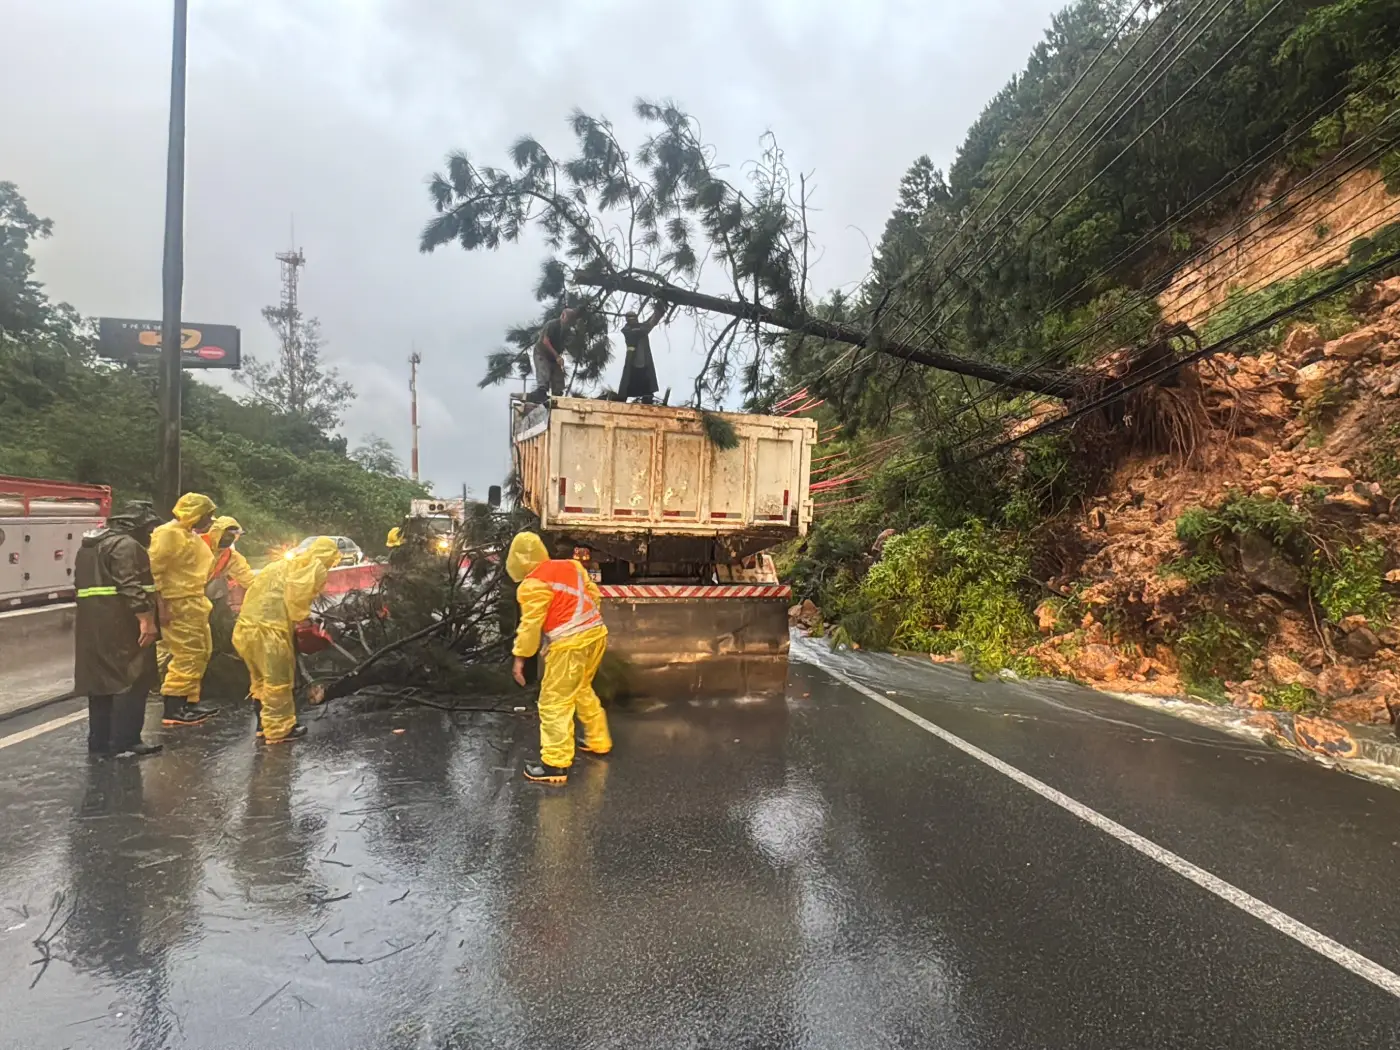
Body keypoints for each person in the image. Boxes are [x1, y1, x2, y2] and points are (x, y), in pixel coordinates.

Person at [506, 531, 612, 783]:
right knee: (581, 687)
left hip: (570, 646)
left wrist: (520, 658)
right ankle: (599, 740)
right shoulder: (572, 566)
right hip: (596, 634)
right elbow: (594, 595)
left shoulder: (531, 585)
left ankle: (555, 764)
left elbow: (531, 625)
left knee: (554, 701)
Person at [73, 501, 165, 757]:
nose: (150, 534)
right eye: (148, 528)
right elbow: (131, 585)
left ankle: (100, 741)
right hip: (122, 624)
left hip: (92, 625)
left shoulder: (88, 547)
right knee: (133, 679)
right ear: (134, 524)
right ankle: (126, 741)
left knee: (100, 682)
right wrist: (146, 620)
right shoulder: (125, 546)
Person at [233, 536, 341, 743]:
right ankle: (280, 730)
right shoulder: (315, 566)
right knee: (278, 682)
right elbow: (297, 597)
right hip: (270, 631)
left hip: (246, 628)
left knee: (260, 680)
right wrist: (303, 619)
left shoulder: (282, 564)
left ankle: (263, 726)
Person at [149, 492, 219, 726]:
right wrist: (162, 607)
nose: (211, 520)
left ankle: (189, 701)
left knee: (201, 652)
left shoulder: (189, 535)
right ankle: (173, 708)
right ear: (194, 514)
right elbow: (154, 573)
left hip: (194, 603)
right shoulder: (168, 534)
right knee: (186, 655)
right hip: (176, 602)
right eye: (208, 515)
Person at [205, 516, 256, 655]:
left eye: (233, 535)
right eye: (227, 534)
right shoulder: (197, 545)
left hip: (208, 600)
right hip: (184, 600)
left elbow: (248, 579)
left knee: (223, 627)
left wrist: (265, 592)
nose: (229, 539)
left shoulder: (230, 556)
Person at [617, 300, 666, 403]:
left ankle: (647, 397)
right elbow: (647, 327)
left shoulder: (641, 327)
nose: (632, 320)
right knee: (628, 382)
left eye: (634, 318)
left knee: (646, 383)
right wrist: (654, 317)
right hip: (633, 360)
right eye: (630, 318)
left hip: (644, 361)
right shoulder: (627, 330)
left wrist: (660, 308)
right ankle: (623, 398)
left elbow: (651, 322)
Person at [530, 307, 578, 402]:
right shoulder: (552, 324)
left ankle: (558, 395)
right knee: (544, 372)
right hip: (542, 353)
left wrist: (566, 357)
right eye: (567, 322)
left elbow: (567, 346)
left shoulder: (567, 332)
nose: (567, 325)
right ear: (563, 316)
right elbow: (545, 341)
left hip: (554, 357)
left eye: (569, 324)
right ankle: (541, 393)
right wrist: (557, 356)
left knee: (558, 378)